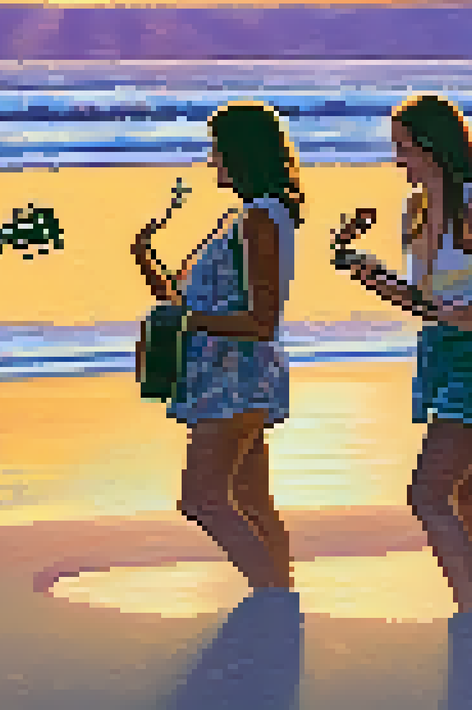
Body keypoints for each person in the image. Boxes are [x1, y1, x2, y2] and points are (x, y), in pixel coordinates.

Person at [337, 95, 472, 614]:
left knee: (426, 494)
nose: (398, 160)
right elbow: (427, 303)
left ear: (433, 146)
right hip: (438, 353)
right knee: (462, 495)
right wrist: (376, 280)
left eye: (405, 147)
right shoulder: (417, 210)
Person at [131, 101, 303, 592]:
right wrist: (145, 257)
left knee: (202, 499)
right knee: (251, 499)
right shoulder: (245, 216)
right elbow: (184, 301)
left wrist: (182, 320)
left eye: (218, 150)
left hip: (236, 377)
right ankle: (280, 597)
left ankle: (272, 593)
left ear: (241, 153)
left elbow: (261, 320)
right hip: (228, 374)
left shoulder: (258, 219)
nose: (212, 161)